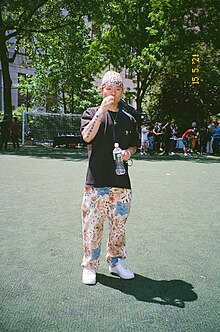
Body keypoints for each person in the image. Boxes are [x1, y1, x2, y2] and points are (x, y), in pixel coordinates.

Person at [80, 71, 140, 285]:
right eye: (108, 89)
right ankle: (90, 265)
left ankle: (116, 262)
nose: (112, 93)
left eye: (117, 89)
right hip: (96, 182)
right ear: (101, 90)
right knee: (92, 226)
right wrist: (102, 111)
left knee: (119, 226)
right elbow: (87, 136)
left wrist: (128, 152)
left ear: (122, 92)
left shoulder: (129, 119)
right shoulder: (91, 113)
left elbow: (134, 144)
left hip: (121, 183)